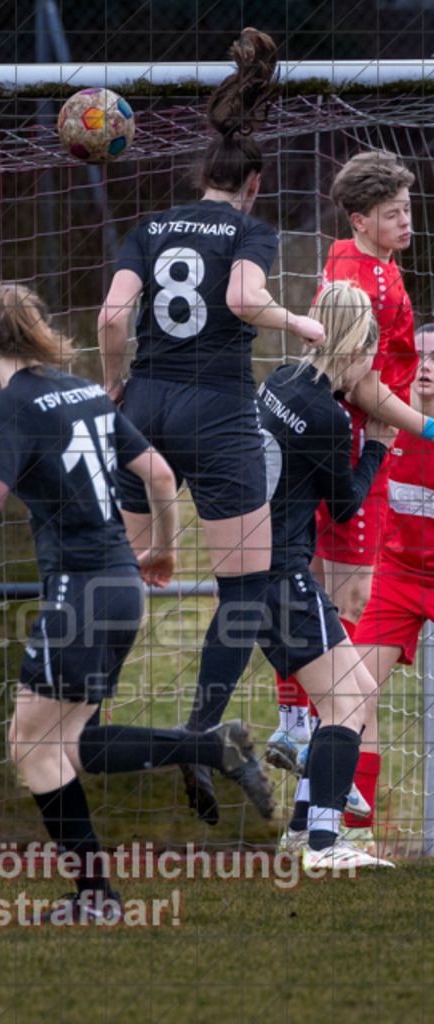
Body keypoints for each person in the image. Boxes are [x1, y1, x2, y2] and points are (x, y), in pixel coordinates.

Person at [0, 282, 274, 924]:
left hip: (78, 590)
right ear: (40, 329)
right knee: (59, 743)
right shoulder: (82, 390)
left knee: (35, 747)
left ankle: (192, 766)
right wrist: (163, 550)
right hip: (117, 583)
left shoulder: (12, 405)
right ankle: (103, 888)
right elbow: (159, 473)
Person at [98, 28, 324, 823]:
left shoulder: (152, 228)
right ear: (254, 183)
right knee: (243, 587)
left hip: (146, 403)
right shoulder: (249, 231)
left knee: (117, 570)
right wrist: (301, 322)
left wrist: (116, 387)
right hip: (220, 409)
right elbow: (240, 300)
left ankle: (84, 713)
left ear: (199, 177)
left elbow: (111, 317)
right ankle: (203, 733)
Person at [266, 151, 432, 837]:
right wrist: (421, 427)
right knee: (338, 599)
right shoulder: (355, 281)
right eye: (393, 213)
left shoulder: (373, 266)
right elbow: (359, 378)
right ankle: (306, 738)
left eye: (408, 209)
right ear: (361, 219)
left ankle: (312, 782)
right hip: (351, 447)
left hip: (355, 443)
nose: (406, 221)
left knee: (333, 600)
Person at [256, 281, 395, 869]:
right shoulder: (329, 418)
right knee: (347, 701)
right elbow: (344, 506)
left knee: (351, 693)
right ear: (359, 348)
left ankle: (302, 830)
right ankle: (322, 843)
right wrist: (378, 447)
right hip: (281, 574)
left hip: (248, 567)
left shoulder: (277, 380)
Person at [347, 324, 434, 854]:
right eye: (418, 353)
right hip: (397, 576)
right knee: (352, 691)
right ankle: (350, 838)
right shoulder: (386, 420)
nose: (426, 364)